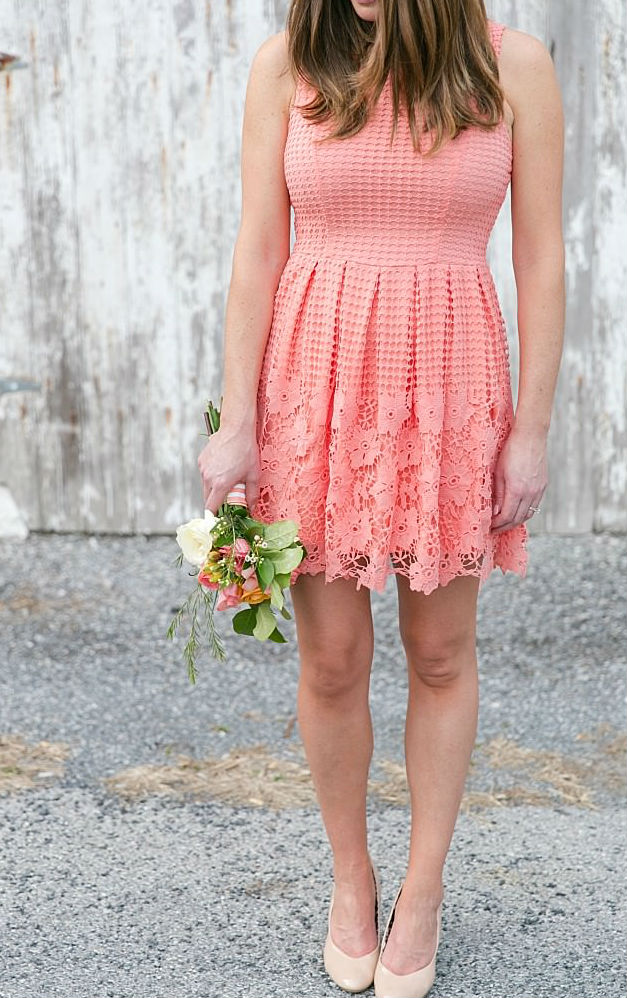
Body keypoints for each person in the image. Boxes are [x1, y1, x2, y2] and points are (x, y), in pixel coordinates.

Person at [198, 0, 565, 994]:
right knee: (329, 656)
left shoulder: (512, 68)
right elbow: (258, 253)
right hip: (310, 398)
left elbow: (538, 260)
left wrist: (529, 431)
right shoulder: (289, 65)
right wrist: (235, 421)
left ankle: (426, 886)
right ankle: (351, 880)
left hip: (450, 398)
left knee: (441, 651)